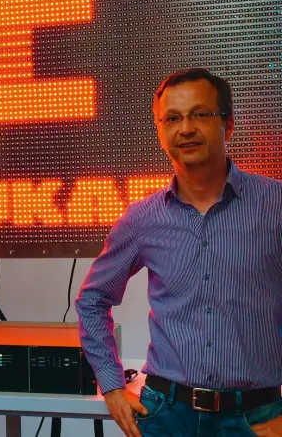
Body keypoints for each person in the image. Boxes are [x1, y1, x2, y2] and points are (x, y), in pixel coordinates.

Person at [75, 68, 282, 437]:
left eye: (200, 114)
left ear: (228, 125)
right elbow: (92, 300)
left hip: (258, 418)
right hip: (166, 416)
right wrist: (111, 386)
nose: (186, 128)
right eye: (172, 118)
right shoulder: (142, 219)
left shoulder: (275, 205)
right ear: (160, 131)